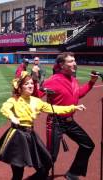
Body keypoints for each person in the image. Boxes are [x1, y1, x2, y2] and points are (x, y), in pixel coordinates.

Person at [0, 71, 86, 180]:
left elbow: (55, 109)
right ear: (20, 87)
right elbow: (5, 108)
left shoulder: (36, 101)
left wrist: (73, 107)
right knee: (18, 172)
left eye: (31, 83)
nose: (30, 85)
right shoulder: (14, 100)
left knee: (46, 164)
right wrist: (12, 117)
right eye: (26, 84)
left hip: (31, 135)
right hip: (17, 136)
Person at [35, 52, 98, 180]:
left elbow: (78, 94)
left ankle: (73, 173)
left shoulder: (73, 79)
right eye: (70, 61)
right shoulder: (52, 81)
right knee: (51, 155)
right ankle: (40, 176)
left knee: (88, 145)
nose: (74, 63)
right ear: (61, 65)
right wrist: (35, 79)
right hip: (55, 122)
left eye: (74, 60)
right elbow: (36, 97)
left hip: (69, 121)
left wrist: (91, 83)